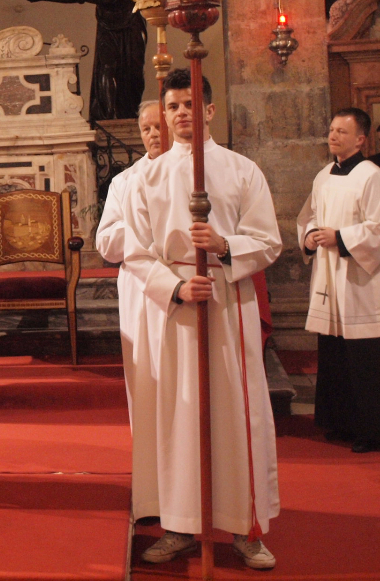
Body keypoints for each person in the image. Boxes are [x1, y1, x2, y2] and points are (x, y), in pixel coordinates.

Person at [123, 69, 280, 570]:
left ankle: (245, 527)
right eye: (173, 106)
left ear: (209, 110)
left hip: (228, 304)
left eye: (190, 104)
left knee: (236, 413)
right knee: (177, 415)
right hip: (176, 310)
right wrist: (174, 287)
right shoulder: (145, 178)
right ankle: (179, 523)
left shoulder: (241, 170)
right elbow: (134, 251)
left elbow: (269, 241)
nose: (181, 113)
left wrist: (225, 245)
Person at [297, 107, 380, 453]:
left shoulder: (371, 176)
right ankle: (341, 423)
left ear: (360, 139)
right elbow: (308, 216)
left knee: (364, 359)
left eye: (341, 132)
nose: (333, 136)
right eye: (331, 130)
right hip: (328, 277)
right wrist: (310, 236)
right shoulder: (323, 175)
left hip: (360, 280)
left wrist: (341, 238)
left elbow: (377, 227)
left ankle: (371, 431)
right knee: (334, 354)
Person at [95, 100, 163, 436]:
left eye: (159, 127)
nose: (153, 135)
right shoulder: (124, 182)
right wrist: (141, 227)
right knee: (145, 374)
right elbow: (105, 243)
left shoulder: (196, 173)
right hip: (140, 288)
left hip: (185, 283)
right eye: (146, 129)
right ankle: (148, 445)